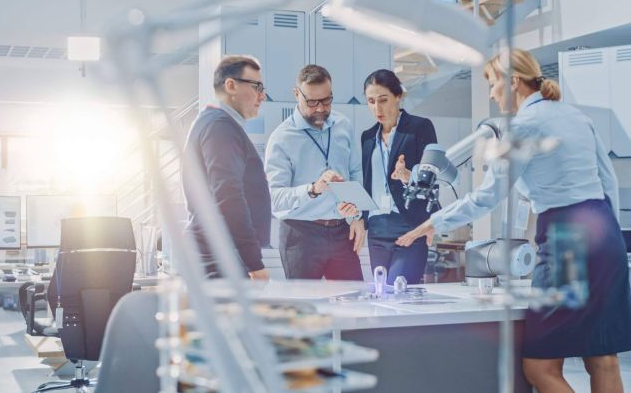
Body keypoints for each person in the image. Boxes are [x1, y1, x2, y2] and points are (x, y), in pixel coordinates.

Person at [395, 48, 631, 393]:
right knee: (602, 357)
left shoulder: (523, 126)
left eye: (492, 83)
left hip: (568, 238)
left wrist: (434, 222)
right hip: (605, 230)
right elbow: (608, 181)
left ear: (513, 81)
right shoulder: (576, 116)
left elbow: (489, 196)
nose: (491, 93)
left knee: (539, 365)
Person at [265, 64, 365, 280]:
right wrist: (313, 189)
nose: (320, 108)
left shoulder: (343, 126)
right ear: (296, 94)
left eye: (327, 100)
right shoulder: (281, 138)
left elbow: (356, 172)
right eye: (312, 102)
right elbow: (274, 198)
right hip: (300, 234)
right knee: (306, 308)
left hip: (341, 231)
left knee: (355, 302)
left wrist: (358, 216)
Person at [338, 69, 437, 284]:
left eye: (383, 100)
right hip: (377, 228)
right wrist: (357, 214)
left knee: (398, 291)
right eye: (371, 101)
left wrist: (408, 176)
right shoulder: (367, 137)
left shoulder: (420, 128)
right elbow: (366, 181)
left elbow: (432, 176)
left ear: (398, 96)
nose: (377, 108)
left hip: (409, 224)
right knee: (382, 294)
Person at [182, 55, 270, 280]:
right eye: (257, 86)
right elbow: (228, 196)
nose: (263, 95)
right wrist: (255, 264)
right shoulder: (220, 127)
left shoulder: (215, 123)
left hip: (220, 253)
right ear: (231, 85)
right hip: (220, 257)